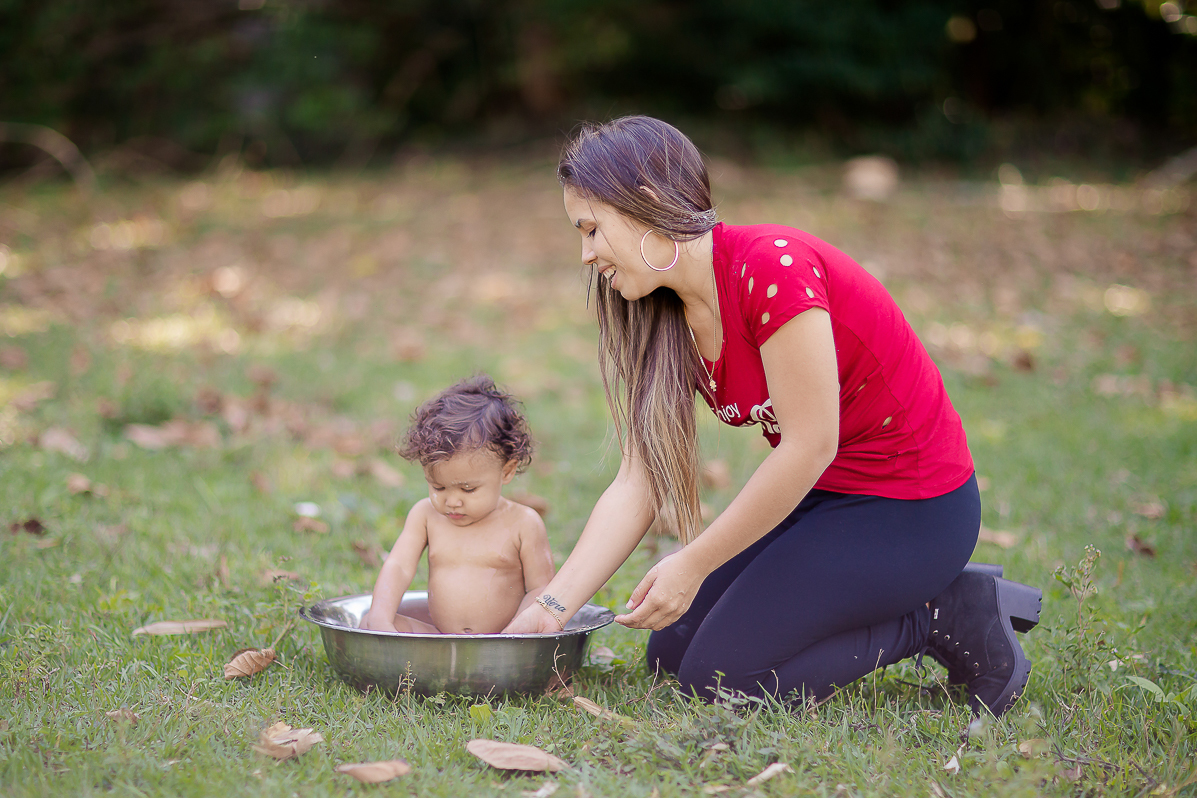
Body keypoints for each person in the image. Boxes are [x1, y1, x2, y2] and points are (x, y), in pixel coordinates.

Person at [503, 116, 1041, 717]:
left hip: (912, 507)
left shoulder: (771, 268)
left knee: (720, 681)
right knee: (670, 653)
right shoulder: (662, 312)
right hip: (822, 499)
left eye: (591, 229)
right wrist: (552, 609)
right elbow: (640, 479)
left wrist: (694, 562)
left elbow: (810, 444)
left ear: (646, 202)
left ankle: (941, 615)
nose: (585, 254)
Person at [363, 376, 556, 635]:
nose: (452, 502)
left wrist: (514, 634)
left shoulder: (523, 523)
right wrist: (380, 616)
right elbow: (399, 566)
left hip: (506, 640)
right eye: (438, 487)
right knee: (368, 621)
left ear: (507, 471)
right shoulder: (425, 515)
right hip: (441, 640)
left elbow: (541, 589)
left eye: (468, 489)